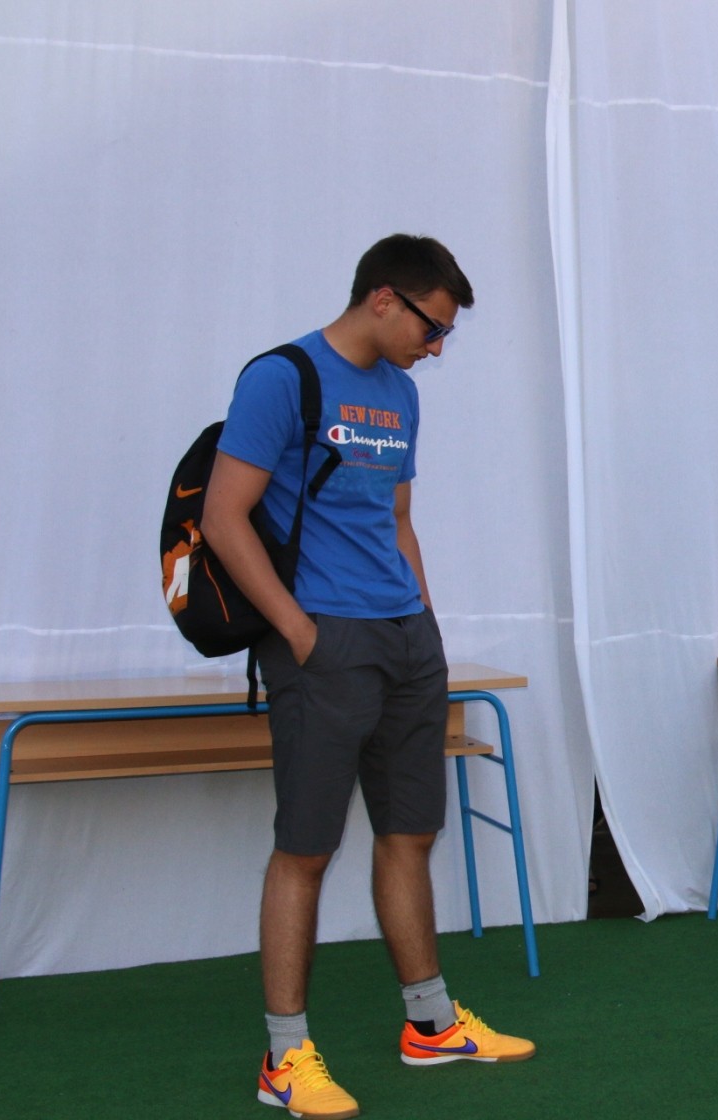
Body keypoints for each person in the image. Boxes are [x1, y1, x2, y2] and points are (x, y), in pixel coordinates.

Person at [203, 234, 534, 1120]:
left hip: (405, 641)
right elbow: (225, 518)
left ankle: (430, 1025)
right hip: (325, 644)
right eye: (434, 327)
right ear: (384, 298)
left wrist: (426, 623)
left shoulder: (400, 394)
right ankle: (284, 1058)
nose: (438, 347)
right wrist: (300, 632)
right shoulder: (282, 378)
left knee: (410, 833)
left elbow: (398, 518)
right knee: (306, 849)